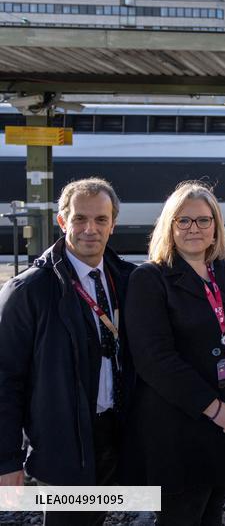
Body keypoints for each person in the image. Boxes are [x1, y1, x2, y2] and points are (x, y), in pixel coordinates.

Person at [124, 182, 225, 525]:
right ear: (170, 226)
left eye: (203, 220)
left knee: (213, 512)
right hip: (181, 428)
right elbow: (154, 359)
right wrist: (215, 408)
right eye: (184, 220)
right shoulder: (149, 279)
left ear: (216, 227)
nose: (194, 228)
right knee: (182, 515)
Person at [0, 179, 135, 526]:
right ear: (62, 222)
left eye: (101, 220)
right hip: (65, 439)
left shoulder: (129, 281)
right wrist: (7, 460)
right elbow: (5, 380)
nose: (90, 229)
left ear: (113, 224)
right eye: (79, 219)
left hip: (115, 434)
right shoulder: (29, 291)